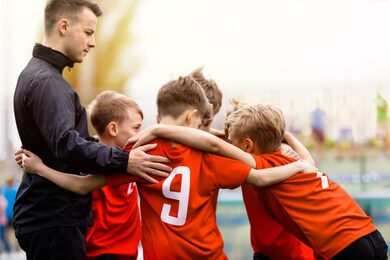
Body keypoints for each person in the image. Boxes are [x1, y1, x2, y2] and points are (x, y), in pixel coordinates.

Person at [20, 76, 317, 259]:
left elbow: (82, 185)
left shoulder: (138, 154)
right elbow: (258, 176)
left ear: (159, 113)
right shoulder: (213, 156)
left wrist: (41, 169)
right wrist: (298, 160)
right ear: (193, 118)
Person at [12, 1, 170, 259]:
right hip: (54, 220)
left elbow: (64, 143)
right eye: (88, 32)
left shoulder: (40, 75)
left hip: (50, 218)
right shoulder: (48, 82)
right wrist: (126, 160)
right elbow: (67, 145)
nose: (93, 42)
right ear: (64, 26)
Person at [224, 102, 387, 259]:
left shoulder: (264, 164)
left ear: (247, 146)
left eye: (230, 142)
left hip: (345, 247)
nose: (227, 144)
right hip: (370, 235)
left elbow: (216, 146)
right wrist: (285, 135)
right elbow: (309, 162)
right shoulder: (299, 161)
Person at [84, 90, 142, 259]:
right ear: (113, 128)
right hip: (104, 253)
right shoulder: (95, 162)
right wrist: (39, 167)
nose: (141, 134)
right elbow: (79, 185)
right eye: (136, 128)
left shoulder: (133, 155)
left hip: (126, 252)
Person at [2, 174, 19, 252]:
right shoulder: (4, 189)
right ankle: (10, 248)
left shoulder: (16, 189)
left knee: (17, 232)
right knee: (7, 231)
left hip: (16, 214)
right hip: (6, 215)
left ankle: (16, 247)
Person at [375, 90, 389, 154]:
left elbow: (386, 110)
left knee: (386, 136)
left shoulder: (384, 101)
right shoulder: (376, 100)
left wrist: (381, 105)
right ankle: (382, 151)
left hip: (385, 120)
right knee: (379, 135)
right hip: (379, 120)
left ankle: (386, 150)